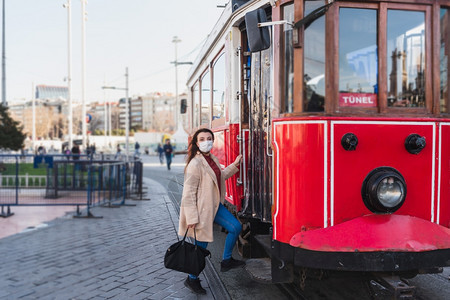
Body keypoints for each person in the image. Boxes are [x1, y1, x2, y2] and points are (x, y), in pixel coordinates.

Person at [178, 128, 244, 295]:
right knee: (200, 249)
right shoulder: (195, 163)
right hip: (201, 211)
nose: (206, 141)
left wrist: (235, 165)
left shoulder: (211, 159)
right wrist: (192, 217)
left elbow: (219, 176)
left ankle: (226, 260)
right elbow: (188, 193)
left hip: (214, 206)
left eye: (209, 138)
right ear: (196, 143)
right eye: (202, 139)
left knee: (235, 227)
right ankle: (192, 279)